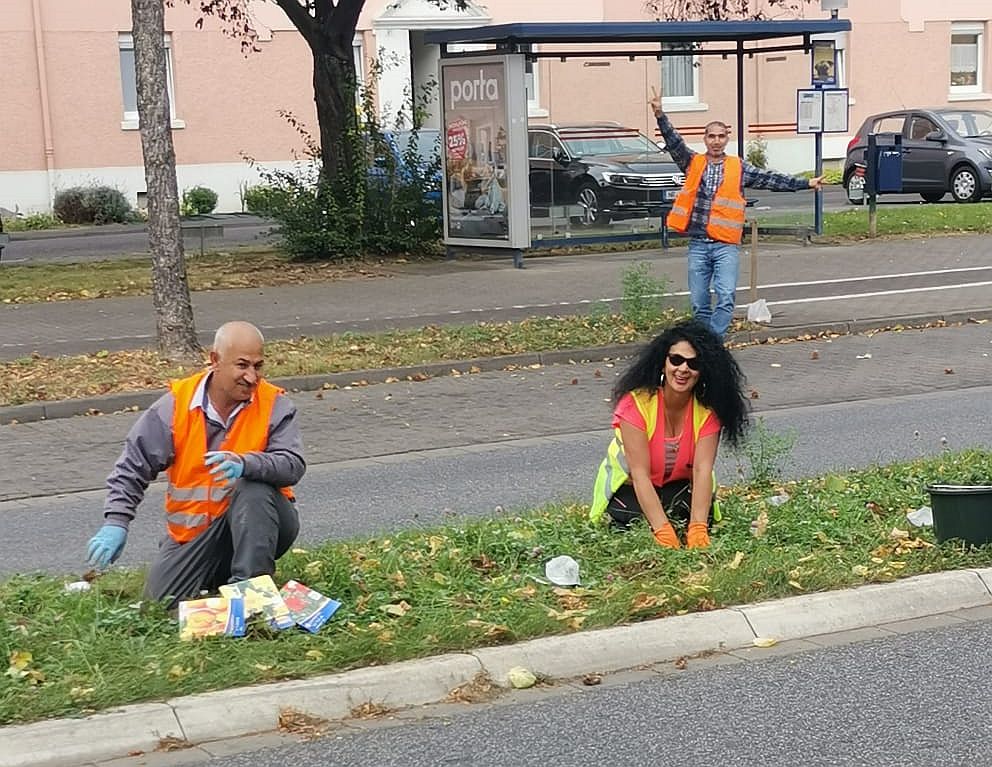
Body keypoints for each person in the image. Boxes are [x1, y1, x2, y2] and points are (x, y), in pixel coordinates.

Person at [85, 321, 306, 607]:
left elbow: (292, 464)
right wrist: (116, 521)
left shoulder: (275, 404)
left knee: (253, 488)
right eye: (242, 365)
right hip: (197, 537)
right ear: (215, 360)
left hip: (266, 526)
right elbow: (131, 467)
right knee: (160, 603)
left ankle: (251, 599)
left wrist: (247, 463)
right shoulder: (174, 408)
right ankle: (217, 581)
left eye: (258, 366)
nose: (252, 377)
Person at [650, 89, 823, 339]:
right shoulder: (692, 162)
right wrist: (659, 114)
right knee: (699, 302)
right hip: (699, 243)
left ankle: (713, 343)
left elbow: (770, 179)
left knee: (726, 295)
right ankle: (703, 343)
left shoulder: (738, 167)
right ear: (705, 139)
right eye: (712, 136)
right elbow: (675, 143)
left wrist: (805, 183)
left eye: (721, 136)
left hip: (725, 246)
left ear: (727, 139)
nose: (716, 141)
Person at [590, 320, 749, 549]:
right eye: (676, 360)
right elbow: (640, 475)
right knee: (632, 519)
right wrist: (663, 532)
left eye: (693, 363)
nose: (683, 369)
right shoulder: (636, 405)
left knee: (691, 513)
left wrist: (697, 529)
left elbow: (702, 470)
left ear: (704, 370)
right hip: (630, 488)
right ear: (662, 363)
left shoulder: (707, 412)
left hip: (677, 488)